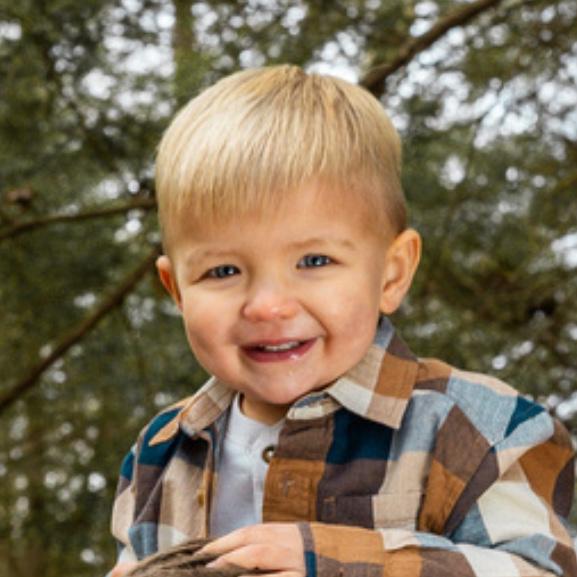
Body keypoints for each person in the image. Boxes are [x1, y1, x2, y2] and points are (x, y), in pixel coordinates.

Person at [109, 65, 576, 577]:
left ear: (392, 274)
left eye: (314, 261)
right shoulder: (159, 453)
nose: (267, 306)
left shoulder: (481, 431)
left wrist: (338, 564)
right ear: (177, 290)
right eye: (223, 271)